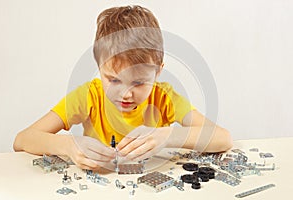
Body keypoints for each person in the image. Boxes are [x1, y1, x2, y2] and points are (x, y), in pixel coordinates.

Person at [13, 5, 232, 170]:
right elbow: (22, 140)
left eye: (139, 82)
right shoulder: (88, 96)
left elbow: (223, 138)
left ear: (158, 71)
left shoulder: (165, 98)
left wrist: (167, 136)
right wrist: (68, 145)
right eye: (114, 80)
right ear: (99, 68)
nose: (125, 94)